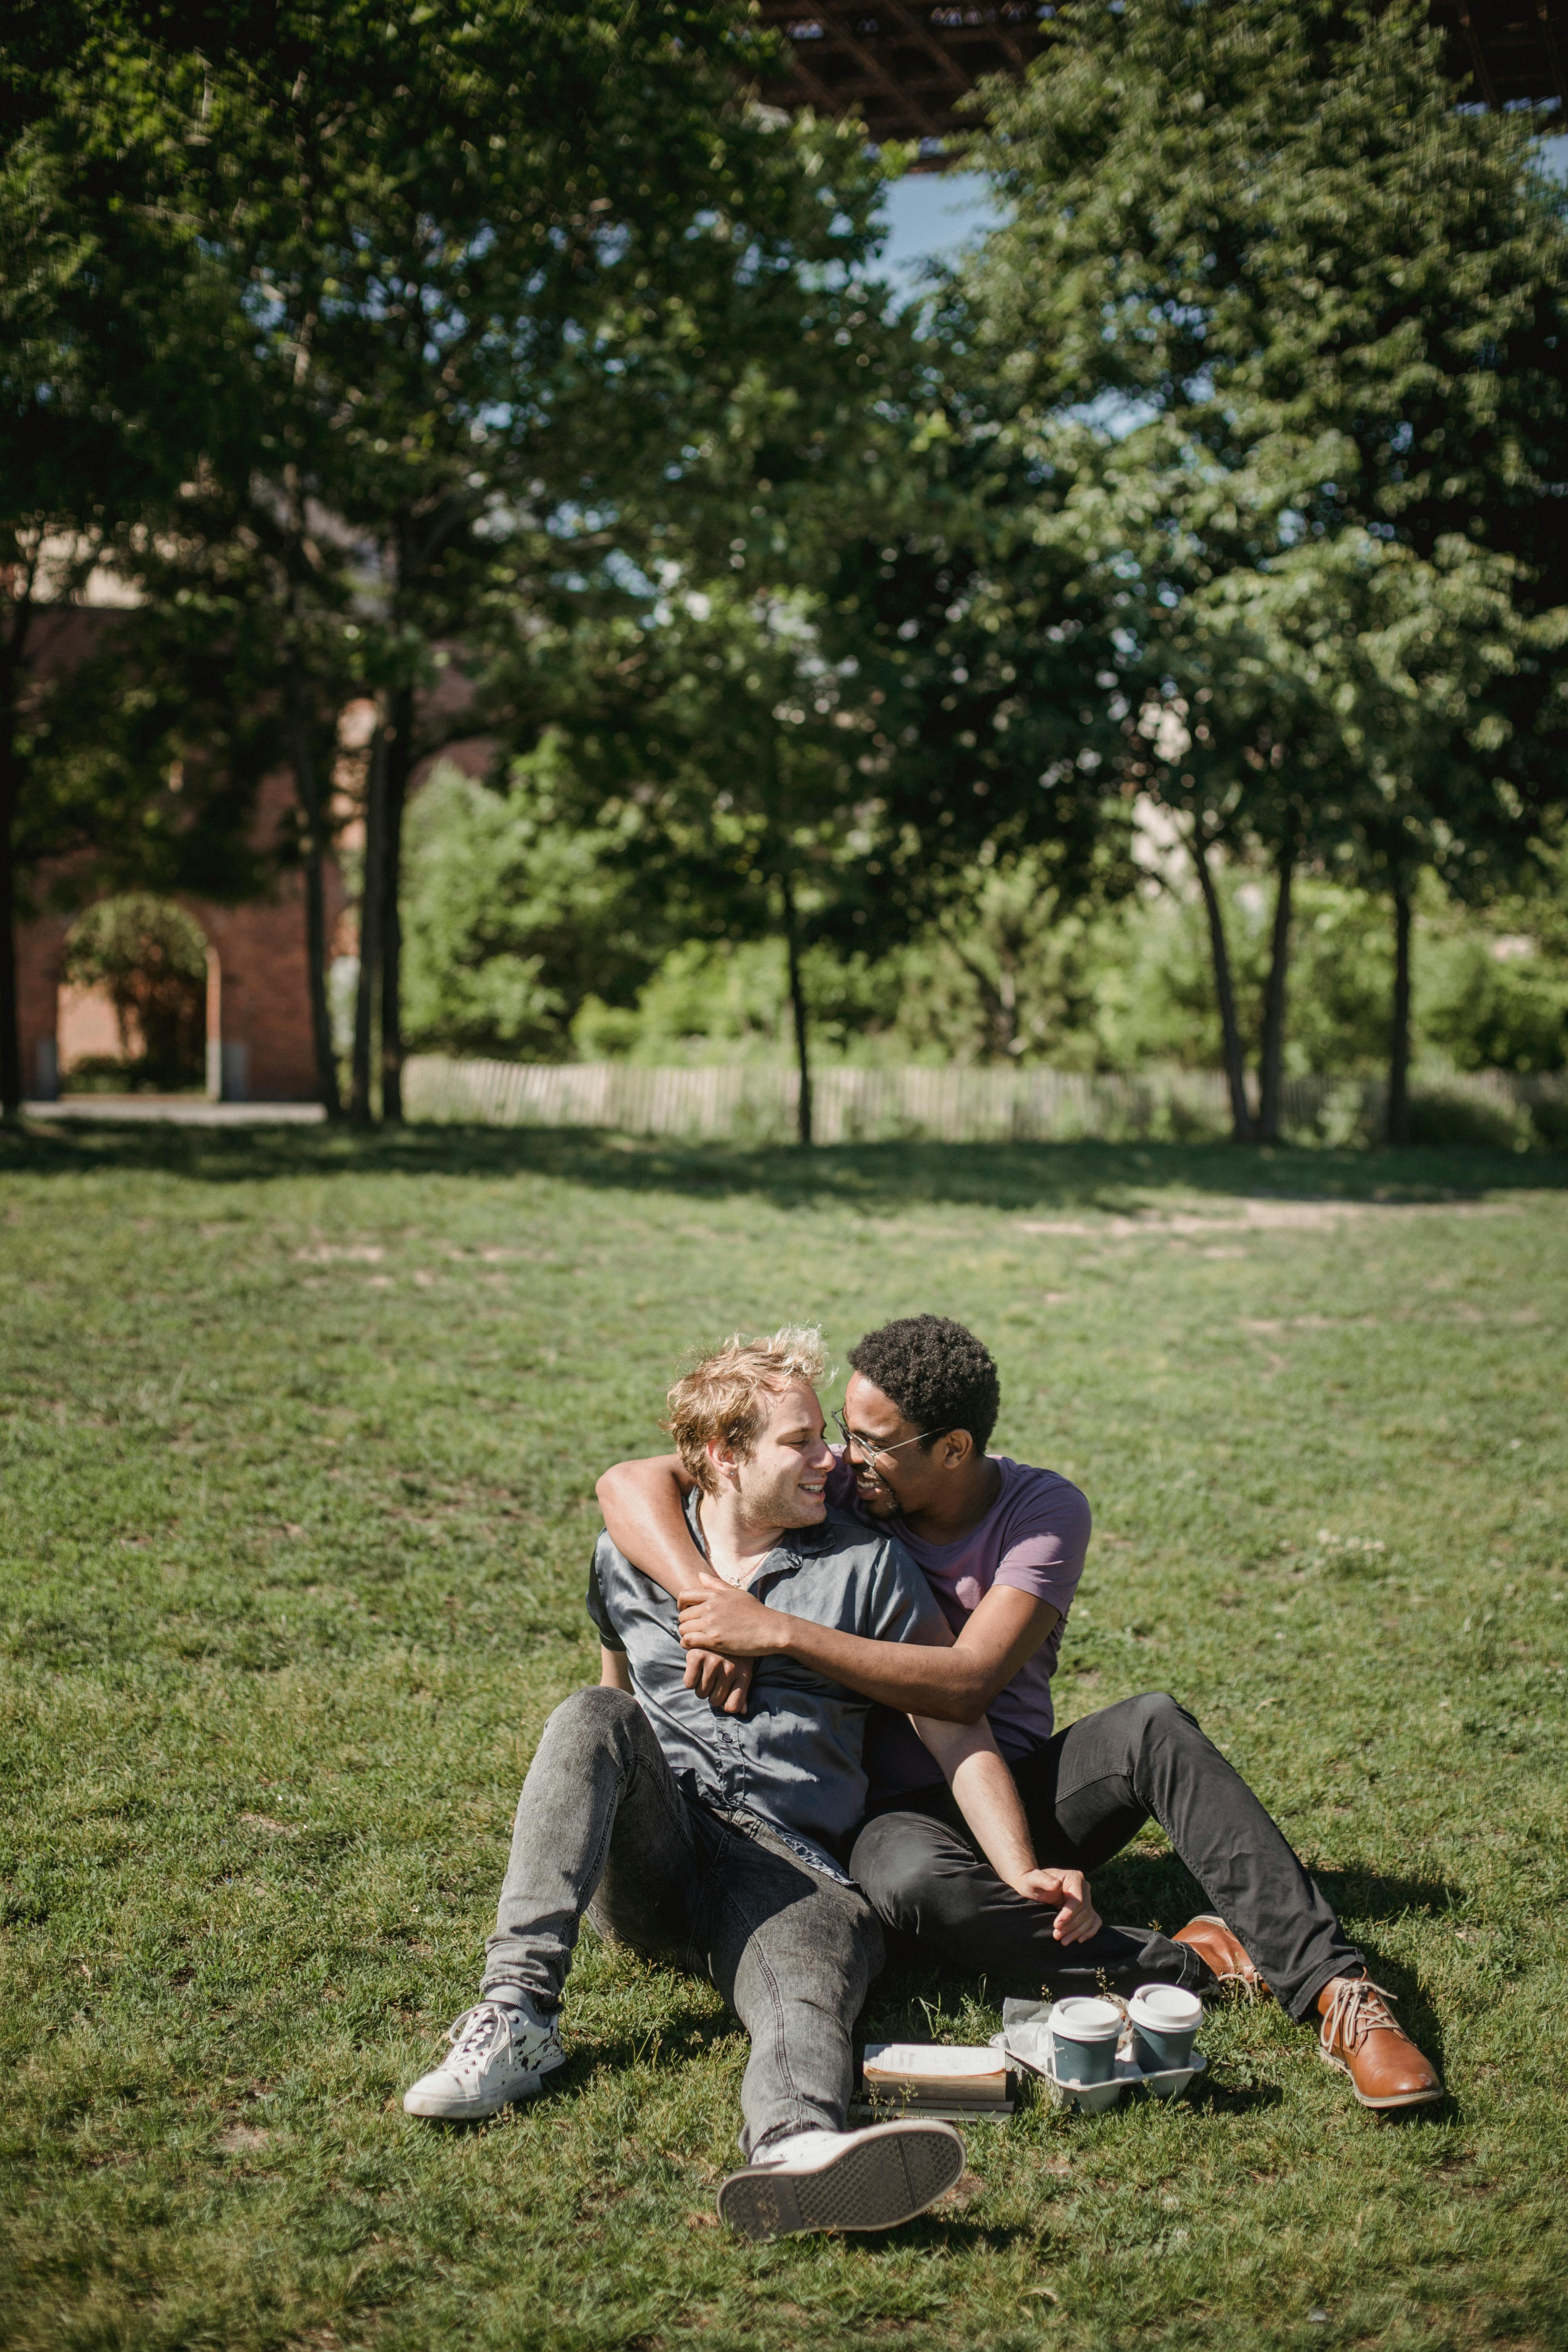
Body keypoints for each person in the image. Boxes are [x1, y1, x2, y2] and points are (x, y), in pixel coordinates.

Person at [596, 1314, 1443, 2114]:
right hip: (883, 1816)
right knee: (909, 1877)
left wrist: (776, 1631)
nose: (844, 1458)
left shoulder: (1041, 1511)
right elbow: (629, 1480)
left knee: (1150, 1724)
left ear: (954, 1449)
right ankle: (1194, 1960)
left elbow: (966, 1687)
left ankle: (1338, 1992)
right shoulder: (838, 1490)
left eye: (870, 1442)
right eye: (839, 1434)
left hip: (1010, 1783)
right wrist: (706, 1598)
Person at [404, 1327, 1093, 2237]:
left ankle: (797, 2148)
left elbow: (956, 1729)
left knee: (805, 2004)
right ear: (724, 1457)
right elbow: (615, 1680)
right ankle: (517, 2012)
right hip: (660, 1848)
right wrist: (683, 1645)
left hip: (794, 1870)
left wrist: (1016, 1869)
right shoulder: (632, 1557)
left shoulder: (869, 1567)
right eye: (802, 1443)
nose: (833, 1463)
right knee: (590, 1716)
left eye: (827, 1438)